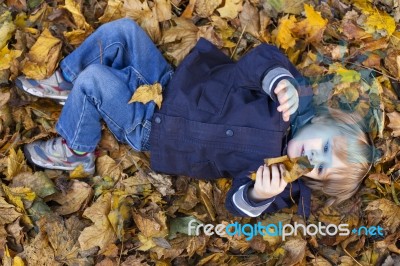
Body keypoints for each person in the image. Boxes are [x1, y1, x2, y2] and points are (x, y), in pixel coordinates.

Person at [15, 18, 372, 218]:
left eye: (321, 167)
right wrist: (281, 81)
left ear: (315, 181)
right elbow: (260, 59)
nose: (314, 157)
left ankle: (76, 147)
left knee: (96, 82)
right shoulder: (292, 97)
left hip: (156, 129)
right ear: (320, 121)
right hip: (172, 87)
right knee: (122, 32)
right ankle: (66, 80)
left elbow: (237, 205)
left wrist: (259, 194)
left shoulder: (278, 182)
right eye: (325, 146)